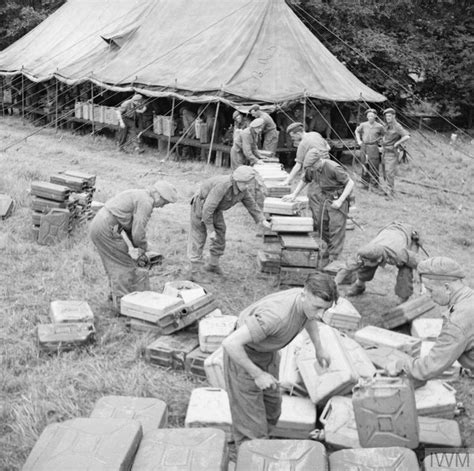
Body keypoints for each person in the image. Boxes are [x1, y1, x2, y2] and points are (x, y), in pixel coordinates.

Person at [222, 273, 338, 447]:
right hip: (244, 358)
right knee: (251, 426)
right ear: (304, 294)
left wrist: (319, 348)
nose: (321, 314)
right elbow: (230, 343)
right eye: (317, 308)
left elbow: (310, 318)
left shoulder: (307, 305)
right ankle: (251, 449)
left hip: (268, 354)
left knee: (273, 408)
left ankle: (262, 442)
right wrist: (257, 374)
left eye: (325, 309)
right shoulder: (275, 317)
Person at [90, 181, 178, 311]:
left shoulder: (140, 194)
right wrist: (144, 250)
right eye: (164, 202)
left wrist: (137, 248)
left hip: (102, 224)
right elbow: (138, 232)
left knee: (114, 264)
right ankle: (123, 307)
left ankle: (114, 296)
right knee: (124, 267)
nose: (162, 206)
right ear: (158, 196)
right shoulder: (146, 203)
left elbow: (129, 227)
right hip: (107, 228)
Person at [386, 257, 474, 381]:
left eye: (430, 289)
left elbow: (430, 366)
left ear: (447, 288)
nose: (427, 295)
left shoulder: (456, 323)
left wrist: (401, 366)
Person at [187, 166, 271, 278]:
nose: (247, 186)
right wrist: (211, 230)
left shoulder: (242, 189)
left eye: (248, 183)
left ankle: (213, 264)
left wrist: (262, 219)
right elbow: (207, 209)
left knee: (221, 232)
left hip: (215, 209)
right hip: (201, 206)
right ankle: (195, 272)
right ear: (237, 181)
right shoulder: (223, 186)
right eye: (245, 183)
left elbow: (251, 204)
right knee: (199, 237)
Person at [284, 148, 354, 263]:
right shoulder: (311, 168)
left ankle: (334, 258)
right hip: (324, 197)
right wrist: (294, 195)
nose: (311, 169)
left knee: (336, 228)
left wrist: (340, 201)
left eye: (312, 166)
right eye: (309, 167)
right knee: (321, 223)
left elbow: (350, 183)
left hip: (337, 198)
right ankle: (328, 248)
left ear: (319, 161)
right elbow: (305, 179)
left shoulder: (332, 167)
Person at [335, 221, 421, 302]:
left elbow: (420, 264)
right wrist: (334, 285)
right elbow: (345, 268)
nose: (362, 262)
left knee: (405, 270)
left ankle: (403, 299)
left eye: (366, 261)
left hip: (408, 235)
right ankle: (360, 285)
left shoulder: (400, 254)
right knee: (366, 265)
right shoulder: (365, 252)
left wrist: (422, 283)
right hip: (391, 229)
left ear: (379, 260)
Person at [281, 122, 331, 186]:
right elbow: (328, 148)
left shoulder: (302, 144)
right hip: (329, 164)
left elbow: (298, 165)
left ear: (298, 133)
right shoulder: (315, 134)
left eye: (292, 136)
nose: (292, 139)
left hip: (317, 169)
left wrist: (287, 181)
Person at [381, 108, 410, 196]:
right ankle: (387, 189)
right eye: (386, 116)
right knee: (385, 172)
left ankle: (390, 192)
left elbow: (406, 136)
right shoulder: (387, 125)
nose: (388, 117)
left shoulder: (397, 126)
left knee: (389, 172)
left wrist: (397, 143)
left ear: (394, 116)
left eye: (389, 116)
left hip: (392, 152)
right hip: (385, 151)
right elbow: (385, 136)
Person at [355, 108, 385, 190]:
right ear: (367, 117)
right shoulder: (363, 125)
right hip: (364, 146)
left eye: (372, 116)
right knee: (364, 163)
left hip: (373, 146)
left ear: (375, 116)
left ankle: (375, 184)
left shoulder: (380, 126)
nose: (370, 117)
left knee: (374, 164)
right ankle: (364, 183)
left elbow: (384, 136)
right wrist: (359, 141)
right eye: (369, 116)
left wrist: (381, 146)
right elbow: (357, 131)